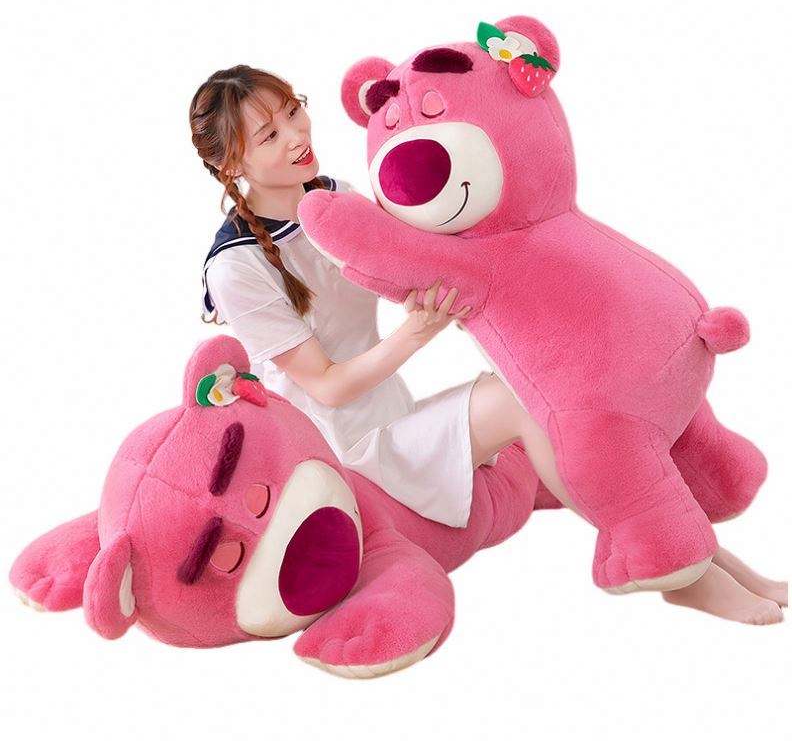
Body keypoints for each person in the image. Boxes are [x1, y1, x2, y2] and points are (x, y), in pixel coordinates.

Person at [189, 65, 786, 624]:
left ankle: (701, 555)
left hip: (393, 413)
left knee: (562, 395)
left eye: (294, 112)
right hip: (346, 453)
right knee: (528, 402)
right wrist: (416, 333)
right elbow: (327, 385)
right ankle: (676, 567)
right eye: (270, 135)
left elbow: (422, 260)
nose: (297, 135)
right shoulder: (237, 264)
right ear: (231, 164)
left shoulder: (333, 193)